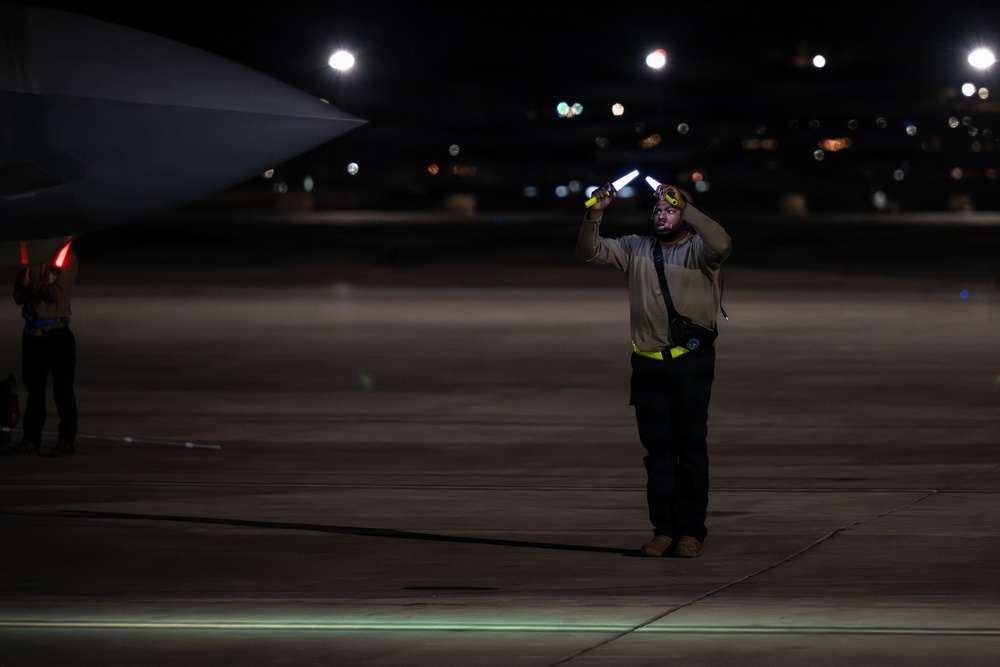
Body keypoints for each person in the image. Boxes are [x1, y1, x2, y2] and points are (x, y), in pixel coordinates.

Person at [576, 180, 731, 558]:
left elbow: (722, 242)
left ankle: (692, 532)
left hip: (690, 363)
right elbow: (588, 252)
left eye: (672, 209)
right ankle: (663, 530)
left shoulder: (700, 251)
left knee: (690, 449)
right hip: (647, 365)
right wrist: (594, 213)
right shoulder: (636, 247)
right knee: (657, 452)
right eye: (659, 209)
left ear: (685, 216)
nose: (663, 214)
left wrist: (688, 205)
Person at [1, 245, 79, 457]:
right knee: (34, 393)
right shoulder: (27, 258)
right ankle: (31, 440)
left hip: (57, 333)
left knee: (63, 391)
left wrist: (30, 287)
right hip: (32, 335)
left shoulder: (66, 257)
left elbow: (55, 293)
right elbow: (18, 295)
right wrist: (42, 284)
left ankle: (66, 440)